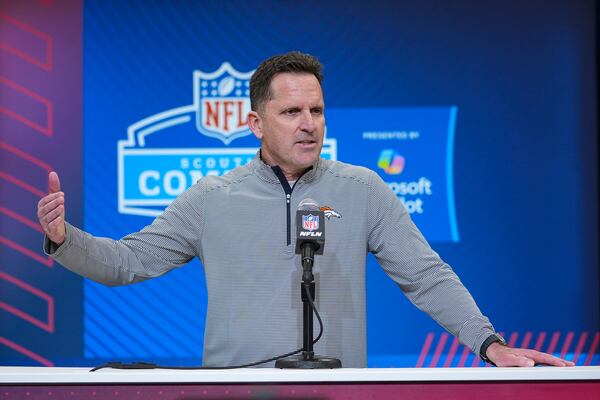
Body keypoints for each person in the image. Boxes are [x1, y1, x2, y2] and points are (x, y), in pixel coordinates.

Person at [38, 51, 573, 368]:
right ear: (255, 123)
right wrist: (64, 238)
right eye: (291, 111)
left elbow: (426, 276)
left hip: (338, 390)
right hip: (237, 392)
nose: (308, 123)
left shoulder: (362, 187)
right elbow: (126, 261)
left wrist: (489, 343)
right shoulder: (210, 198)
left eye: (316, 110)